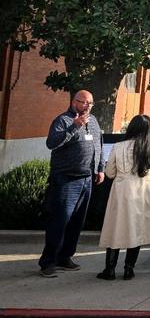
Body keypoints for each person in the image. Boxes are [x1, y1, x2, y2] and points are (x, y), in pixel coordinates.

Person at [39, 90, 105, 278]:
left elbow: (98, 145)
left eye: (90, 103)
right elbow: (52, 143)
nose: (87, 106)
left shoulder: (93, 121)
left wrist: (100, 168)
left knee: (77, 222)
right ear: (73, 101)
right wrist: (74, 127)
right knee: (59, 220)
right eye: (83, 102)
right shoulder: (62, 121)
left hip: (86, 179)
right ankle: (48, 262)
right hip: (66, 179)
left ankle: (65, 257)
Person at [96, 114, 150, 280]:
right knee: (137, 230)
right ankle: (129, 269)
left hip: (122, 191)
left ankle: (110, 269)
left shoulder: (118, 147)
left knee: (115, 229)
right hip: (144, 191)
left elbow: (110, 172)